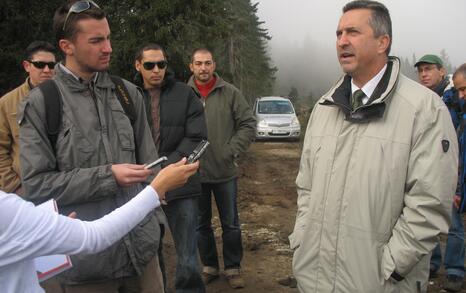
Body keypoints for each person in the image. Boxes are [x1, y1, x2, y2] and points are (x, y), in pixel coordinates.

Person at [290, 1, 458, 292]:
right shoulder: (324, 107)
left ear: (383, 42)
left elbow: (429, 203)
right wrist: (301, 239)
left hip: (380, 282)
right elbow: (306, 185)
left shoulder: (424, 110)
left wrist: (392, 267)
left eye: (353, 32)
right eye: (339, 33)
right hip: (314, 278)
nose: (342, 41)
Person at [19, 1, 164, 292]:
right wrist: (108, 176)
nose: (108, 47)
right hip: (86, 266)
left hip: (143, 256)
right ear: (67, 46)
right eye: (96, 40)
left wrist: (156, 226)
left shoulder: (127, 94)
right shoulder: (42, 103)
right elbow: (36, 185)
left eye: (108, 37)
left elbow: (151, 169)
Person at [0, 158, 199, 293]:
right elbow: (94, 237)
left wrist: (44, 236)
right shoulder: (5, 209)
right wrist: (157, 188)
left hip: (139, 251)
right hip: (90, 271)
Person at [134, 43, 207, 292]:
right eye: (149, 65)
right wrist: (149, 178)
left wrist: (165, 173)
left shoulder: (186, 94)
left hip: (181, 185)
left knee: (187, 257)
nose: (156, 70)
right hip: (142, 189)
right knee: (150, 257)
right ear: (138, 66)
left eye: (161, 64)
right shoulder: (127, 96)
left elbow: (197, 137)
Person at [187, 48, 256, 289]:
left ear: (214, 65)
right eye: (199, 63)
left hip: (225, 172)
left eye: (207, 63)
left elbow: (248, 123)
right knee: (200, 224)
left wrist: (232, 150)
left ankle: (233, 267)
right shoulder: (183, 94)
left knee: (231, 223)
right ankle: (209, 266)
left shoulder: (230, 93)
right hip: (194, 173)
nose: (203, 68)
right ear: (191, 67)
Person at [415, 55, 464, 291]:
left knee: (453, 223)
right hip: (427, 168)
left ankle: (454, 270)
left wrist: (456, 180)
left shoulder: (452, 97)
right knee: (427, 216)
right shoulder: (423, 98)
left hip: (450, 168)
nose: (424, 74)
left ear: (441, 71)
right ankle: (432, 263)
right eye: (420, 71)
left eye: (428, 69)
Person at [0, 41, 56, 195]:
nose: (46, 70)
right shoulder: (7, 103)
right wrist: (15, 187)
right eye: (39, 65)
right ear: (27, 66)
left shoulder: (66, 98)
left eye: (51, 65)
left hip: (62, 186)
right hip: (26, 191)